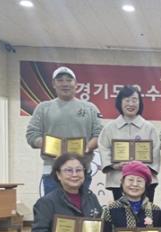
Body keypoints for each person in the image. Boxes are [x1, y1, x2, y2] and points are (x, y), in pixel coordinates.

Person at [26, 66, 103, 195]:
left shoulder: (90, 108)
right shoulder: (43, 108)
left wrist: (87, 148)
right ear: (53, 84)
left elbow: (99, 135)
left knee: (80, 207)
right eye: (60, 80)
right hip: (52, 170)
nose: (65, 84)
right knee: (52, 207)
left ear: (76, 83)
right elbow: (32, 135)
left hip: (80, 171)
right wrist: (49, 146)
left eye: (69, 80)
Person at [98, 86, 161, 201]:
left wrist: (141, 168)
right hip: (118, 180)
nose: (131, 104)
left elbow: (155, 151)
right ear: (120, 102)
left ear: (140, 103)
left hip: (145, 181)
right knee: (121, 212)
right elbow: (104, 148)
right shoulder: (109, 128)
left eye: (134, 100)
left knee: (146, 212)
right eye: (127, 100)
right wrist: (115, 166)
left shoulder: (149, 128)